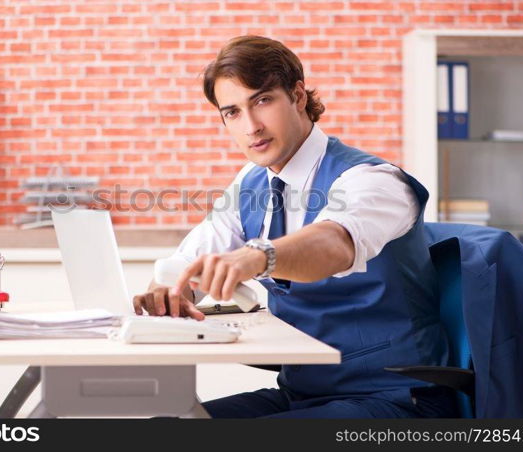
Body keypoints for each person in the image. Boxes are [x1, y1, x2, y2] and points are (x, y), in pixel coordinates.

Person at [132, 35, 457, 418]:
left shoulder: (373, 180)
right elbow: (191, 259)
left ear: (298, 96)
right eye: (232, 112)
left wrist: (257, 256)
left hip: (394, 399)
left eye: (262, 101)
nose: (251, 126)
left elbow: (334, 243)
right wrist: (169, 290)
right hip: (304, 394)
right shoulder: (251, 184)